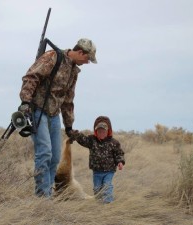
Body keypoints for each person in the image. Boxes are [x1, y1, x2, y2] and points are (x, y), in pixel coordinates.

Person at [19, 38, 97, 197]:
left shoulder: (74, 71)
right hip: (37, 111)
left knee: (54, 157)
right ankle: (42, 197)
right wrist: (26, 102)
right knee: (45, 153)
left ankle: (47, 193)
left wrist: (69, 126)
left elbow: (68, 100)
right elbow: (31, 77)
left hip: (54, 116)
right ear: (80, 52)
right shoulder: (53, 57)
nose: (87, 62)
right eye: (87, 58)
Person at [69, 116, 125, 203]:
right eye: (99, 131)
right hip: (97, 171)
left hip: (109, 171)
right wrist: (76, 134)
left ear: (108, 131)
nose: (101, 133)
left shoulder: (114, 142)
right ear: (96, 132)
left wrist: (120, 162)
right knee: (97, 188)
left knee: (107, 185)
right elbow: (83, 140)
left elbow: (119, 153)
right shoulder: (92, 140)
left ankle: (108, 202)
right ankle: (99, 203)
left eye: (103, 131)